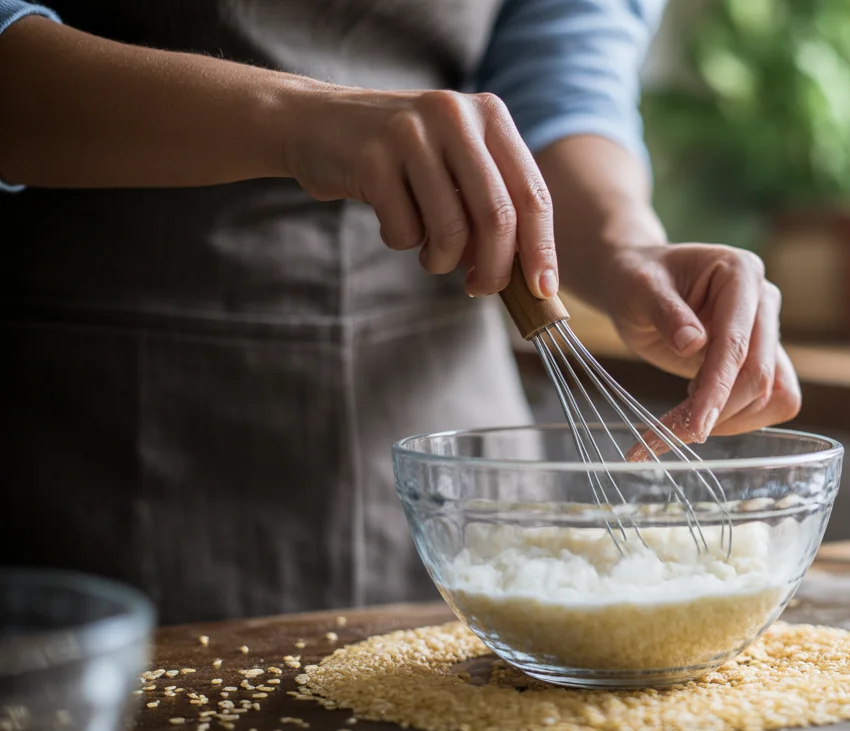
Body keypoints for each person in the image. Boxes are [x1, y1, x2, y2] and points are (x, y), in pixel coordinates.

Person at [0, 0, 801, 624]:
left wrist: (626, 247)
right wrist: (296, 117)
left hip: (441, 426)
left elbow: (561, 72)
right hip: (99, 422)